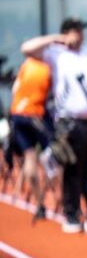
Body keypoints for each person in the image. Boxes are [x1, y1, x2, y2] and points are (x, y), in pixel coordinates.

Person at [21, 18, 87, 232]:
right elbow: (27, 49)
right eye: (76, 31)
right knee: (72, 168)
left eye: (81, 31)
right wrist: (57, 40)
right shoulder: (56, 55)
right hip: (69, 122)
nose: (80, 36)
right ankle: (72, 213)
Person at [7, 55, 52, 220]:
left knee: (30, 156)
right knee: (55, 155)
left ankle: (39, 202)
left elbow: (14, 90)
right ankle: (61, 200)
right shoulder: (47, 67)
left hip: (17, 115)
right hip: (35, 116)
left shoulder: (25, 65)